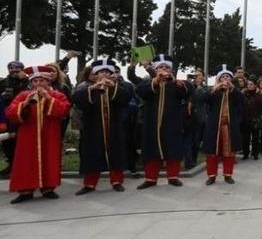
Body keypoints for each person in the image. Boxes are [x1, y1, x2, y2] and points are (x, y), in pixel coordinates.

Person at [4, 66, 70, 204]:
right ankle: (25, 191)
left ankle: (48, 189)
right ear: (31, 83)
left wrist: (48, 98)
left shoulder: (57, 95)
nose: (38, 84)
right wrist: (26, 103)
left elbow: (64, 110)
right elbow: (10, 113)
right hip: (27, 136)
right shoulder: (23, 95)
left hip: (49, 135)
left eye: (42, 81)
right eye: (35, 81)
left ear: (48, 82)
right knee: (26, 161)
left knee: (49, 159)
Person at [72, 58, 132, 194]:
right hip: (93, 128)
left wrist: (112, 87)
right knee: (91, 154)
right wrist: (92, 89)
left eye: (106, 72)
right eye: (101, 72)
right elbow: (76, 100)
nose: (104, 74)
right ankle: (89, 184)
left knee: (116, 154)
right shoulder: (87, 86)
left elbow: (126, 99)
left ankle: (117, 181)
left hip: (114, 127)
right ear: (95, 74)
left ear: (111, 74)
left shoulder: (118, 86)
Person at [135, 54, 188, 189]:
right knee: (151, 151)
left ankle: (173, 177)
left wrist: (178, 84)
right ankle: (151, 179)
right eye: (161, 67)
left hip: (172, 123)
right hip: (152, 124)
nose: (164, 69)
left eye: (166, 67)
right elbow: (140, 91)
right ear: (155, 69)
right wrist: (156, 81)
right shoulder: (148, 82)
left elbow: (188, 92)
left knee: (173, 151)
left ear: (171, 70)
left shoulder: (177, 83)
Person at [201, 65, 243, 185]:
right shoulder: (214, 91)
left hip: (229, 127)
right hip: (214, 127)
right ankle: (212, 175)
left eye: (228, 77)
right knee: (212, 153)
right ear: (218, 79)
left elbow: (242, 101)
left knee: (229, 153)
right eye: (223, 77)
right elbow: (204, 99)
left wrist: (233, 89)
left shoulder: (234, 92)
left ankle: (228, 175)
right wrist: (215, 88)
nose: (225, 79)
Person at [0, 61, 29, 177]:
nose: (13, 71)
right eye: (11, 69)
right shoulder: (3, 82)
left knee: (21, 141)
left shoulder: (27, 81)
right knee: (7, 142)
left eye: (17, 70)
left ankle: (21, 166)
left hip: (22, 115)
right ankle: (11, 164)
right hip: (6, 115)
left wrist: (24, 80)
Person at [242, 79, 262, 160]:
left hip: (255, 119)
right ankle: (245, 153)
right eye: (248, 84)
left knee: (255, 138)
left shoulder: (259, 95)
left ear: (255, 85)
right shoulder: (244, 94)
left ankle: (255, 153)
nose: (249, 86)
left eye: (251, 84)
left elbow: (261, 105)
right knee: (246, 137)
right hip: (246, 119)